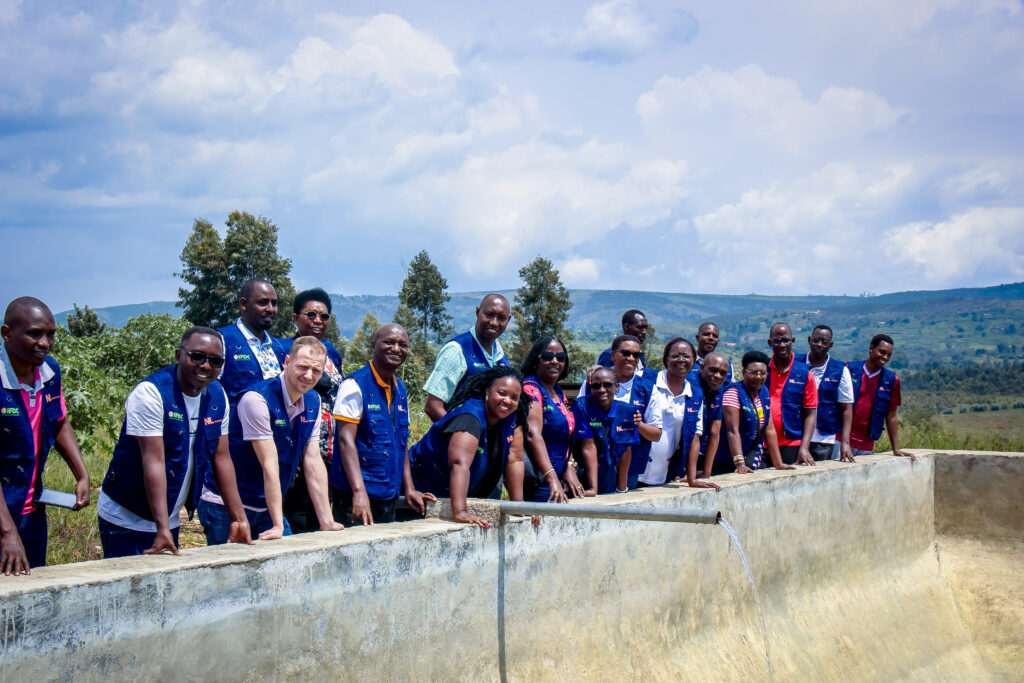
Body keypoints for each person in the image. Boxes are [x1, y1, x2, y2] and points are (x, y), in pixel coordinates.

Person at [98, 327, 252, 557]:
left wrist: (239, 519)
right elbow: (154, 461)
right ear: (179, 355)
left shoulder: (218, 396)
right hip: (127, 518)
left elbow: (221, 457)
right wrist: (161, 528)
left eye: (216, 361)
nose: (206, 366)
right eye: (197, 357)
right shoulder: (151, 394)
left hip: (169, 518)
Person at [198, 336, 342, 543]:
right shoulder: (256, 400)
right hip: (228, 505)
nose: (309, 376)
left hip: (267, 503)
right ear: (287, 362)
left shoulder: (313, 401)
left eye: (316, 370)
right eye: (302, 367)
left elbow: (312, 460)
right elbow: (269, 463)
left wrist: (326, 520)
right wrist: (278, 524)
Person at [0, 297, 90, 575]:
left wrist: (81, 473)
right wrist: (7, 533)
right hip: (4, 517)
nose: (45, 342)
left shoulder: (49, 372)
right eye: (34, 334)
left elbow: (59, 420)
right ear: (6, 333)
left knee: (29, 591)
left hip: (30, 511)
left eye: (50, 334)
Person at [330, 324, 435, 525]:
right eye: (389, 342)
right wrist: (359, 493)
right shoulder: (354, 385)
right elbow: (345, 441)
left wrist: (410, 488)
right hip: (355, 495)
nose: (396, 349)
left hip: (388, 494)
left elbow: (400, 442)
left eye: (402, 345)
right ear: (373, 345)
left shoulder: (400, 388)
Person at [409, 366, 530, 528]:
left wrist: (519, 508)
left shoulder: (512, 419)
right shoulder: (470, 417)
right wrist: (460, 512)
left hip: (453, 493)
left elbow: (514, 460)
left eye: (514, 397)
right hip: (420, 490)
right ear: (487, 391)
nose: (508, 401)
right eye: (501, 393)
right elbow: (460, 464)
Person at [283, 287, 345, 532]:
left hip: (328, 451)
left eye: (324, 316)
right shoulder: (287, 350)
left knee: (320, 514)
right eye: (311, 314)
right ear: (296, 318)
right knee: (299, 516)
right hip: (301, 452)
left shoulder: (331, 353)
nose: (318, 320)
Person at [423, 294, 511, 422]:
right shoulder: (457, 350)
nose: (494, 322)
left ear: (508, 320)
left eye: (501, 318)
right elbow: (432, 407)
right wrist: (461, 436)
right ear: (477, 312)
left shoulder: (499, 353)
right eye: (489, 315)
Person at [639, 338, 712, 490]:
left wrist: (691, 478)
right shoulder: (646, 379)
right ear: (666, 359)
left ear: (693, 361)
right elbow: (619, 376)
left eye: (686, 356)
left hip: (665, 474)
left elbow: (695, 438)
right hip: (633, 468)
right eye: (675, 356)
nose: (681, 360)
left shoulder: (695, 395)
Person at [719, 351, 796, 473]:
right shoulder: (733, 393)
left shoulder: (763, 392)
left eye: (763, 373)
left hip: (750, 450)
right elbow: (732, 431)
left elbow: (769, 429)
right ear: (744, 373)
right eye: (754, 373)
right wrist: (739, 464)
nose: (758, 377)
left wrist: (778, 463)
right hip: (726, 455)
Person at [520, 337, 575, 502]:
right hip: (540, 480)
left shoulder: (557, 391)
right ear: (536, 359)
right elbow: (532, 435)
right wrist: (552, 478)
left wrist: (569, 467)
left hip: (558, 477)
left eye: (561, 358)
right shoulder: (531, 388)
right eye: (547, 356)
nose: (555, 361)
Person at [218, 278, 289, 405]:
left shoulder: (279, 349)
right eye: (263, 302)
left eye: (274, 303)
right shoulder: (223, 340)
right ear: (244, 304)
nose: (270, 309)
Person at [568, 367, 636, 494]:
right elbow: (588, 447)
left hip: (609, 479)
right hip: (583, 478)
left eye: (607, 385)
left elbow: (626, 450)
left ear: (617, 387)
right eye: (596, 386)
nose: (602, 390)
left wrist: (622, 487)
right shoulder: (582, 407)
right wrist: (593, 488)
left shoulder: (626, 411)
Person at [606, 335, 662, 489]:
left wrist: (639, 425)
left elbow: (656, 434)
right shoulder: (596, 380)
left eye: (636, 355)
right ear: (613, 355)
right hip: (598, 464)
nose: (631, 358)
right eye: (625, 353)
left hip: (631, 469)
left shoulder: (648, 389)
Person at [848, 334, 914, 459]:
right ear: (871, 348)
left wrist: (896, 449)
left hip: (866, 443)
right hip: (840, 439)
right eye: (882, 352)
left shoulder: (891, 380)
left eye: (889, 355)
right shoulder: (849, 370)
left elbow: (891, 415)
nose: (885, 358)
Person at [795, 325, 854, 462]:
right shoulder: (795, 363)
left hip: (824, 438)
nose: (819, 345)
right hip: (796, 434)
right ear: (809, 340)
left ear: (830, 345)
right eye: (816, 340)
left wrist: (845, 443)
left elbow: (846, 409)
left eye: (824, 342)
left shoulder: (840, 370)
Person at [766, 323, 817, 467]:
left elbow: (810, 414)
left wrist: (805, 447)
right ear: (770, 343)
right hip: (763, 443)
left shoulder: (805, 373)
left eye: (786, 340)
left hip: (791, 443)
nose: (782, 345)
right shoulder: (762, 370)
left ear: (792, 341)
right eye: (777, 341)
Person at [690, 352, 730, 477]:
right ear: (702, 368)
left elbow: (714, 432)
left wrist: (707, 471)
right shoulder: (690, 385)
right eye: (713, 370)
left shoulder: (718, 391)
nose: (718, 376)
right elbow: (690, 432)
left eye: (722, 373)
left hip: (698, 452)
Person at [597, 310, 649, 374]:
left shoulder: (639, 355)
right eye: (640, 327)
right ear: (626, 327)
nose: (644, 332)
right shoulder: (609, 355)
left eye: (645, 328)